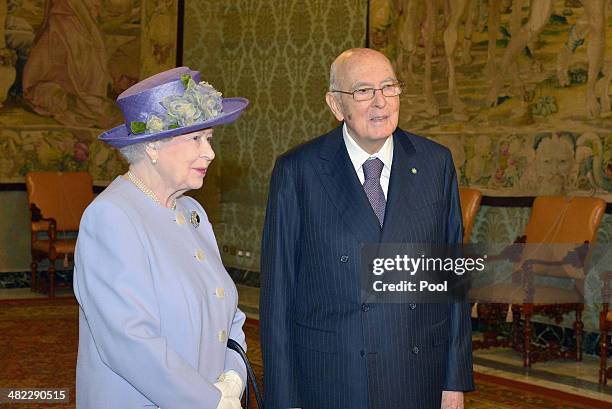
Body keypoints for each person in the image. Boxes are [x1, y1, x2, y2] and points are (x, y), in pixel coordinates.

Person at [260, 48, 474, 409]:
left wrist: (454, 381)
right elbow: (278, 293)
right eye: (363, 91)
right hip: (333, 377)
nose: (381, 102)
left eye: (389, 87)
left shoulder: (435, 164)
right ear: (335, 104)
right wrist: (284, 398)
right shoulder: (299, 171)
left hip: (418, 374)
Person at [74, 66, 249, 409]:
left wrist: (232, 379)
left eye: (209, 139)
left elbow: (229, 312)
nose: (210, 153)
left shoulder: (192, 213)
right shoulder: (112, 217)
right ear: (152, 145)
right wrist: (210, 401)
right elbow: (130, 342)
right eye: (195, 139)